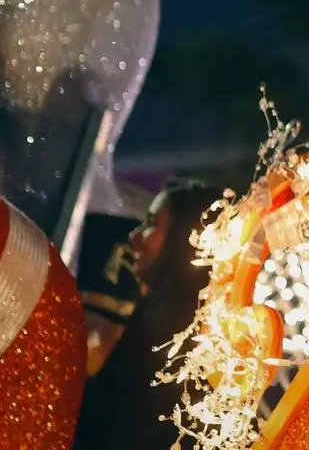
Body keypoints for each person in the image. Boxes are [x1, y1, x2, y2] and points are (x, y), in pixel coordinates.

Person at [75, 179, 224, 450]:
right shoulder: (158, 322)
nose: (134, 236)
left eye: (152, 223)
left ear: (185, 239)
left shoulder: (173, 341)